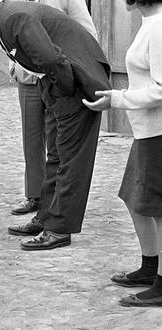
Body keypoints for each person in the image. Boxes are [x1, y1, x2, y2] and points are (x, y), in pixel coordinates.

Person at [0, 0, 111, 250]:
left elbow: (52, 60)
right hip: (65, 84)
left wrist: (63, 94)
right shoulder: (5, 18)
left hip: (78, 83)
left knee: (70, 159)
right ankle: (45, 217)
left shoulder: (14, 17)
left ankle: (58, 230)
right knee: (56, 157)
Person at [83, 0, 162, 307]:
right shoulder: (150, 23)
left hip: (157, 133)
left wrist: (118, 98)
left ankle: (160, 282)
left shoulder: (158, 27)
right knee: (134, 199)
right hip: (146, 131)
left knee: (157, 208)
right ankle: (149, 266)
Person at [9, 0, 98, 216]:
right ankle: (34, 196)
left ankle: (56, 199)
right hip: (29, 79)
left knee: (57, 141)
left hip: (58, 79)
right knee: (31, 139)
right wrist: (13, 63)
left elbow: (87, 33)